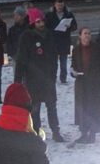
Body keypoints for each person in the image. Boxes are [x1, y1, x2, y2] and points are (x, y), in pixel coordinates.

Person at [15, 8, 64, 141]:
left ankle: (55, 131)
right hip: (33, 80)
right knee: (35, 108)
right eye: (38, 22)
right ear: (32, 23)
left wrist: (53, 75)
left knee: (52, 106)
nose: (41, 24)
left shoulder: (49, 35)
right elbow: (21, 60)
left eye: (42, 21)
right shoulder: (26, 37)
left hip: (48, 79)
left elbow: (54, 56)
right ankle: (35, 132)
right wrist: (18, 80)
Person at [70, 27, 100, 144]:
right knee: (82, 108)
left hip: (94, 84)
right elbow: (73, 66)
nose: (87, 35)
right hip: (81, 84)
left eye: (89, 33)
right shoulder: (76, 50)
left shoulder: (97, 48)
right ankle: (83, 133)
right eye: (85, 33)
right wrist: (73, 72)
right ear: (80, 36)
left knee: (93, 108)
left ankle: (92, 133)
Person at [45, 0, 77, 85]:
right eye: (58, 5)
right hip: (53, 40)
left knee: (64, 61)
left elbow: (75, 26)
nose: (60, 7)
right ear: (55, 5)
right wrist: (53, 30)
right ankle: (52, 77)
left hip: (64, 40)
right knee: (53, 62)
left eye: (61, 5)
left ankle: (63, 78)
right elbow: (46, 27)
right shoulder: (49, 15)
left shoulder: (68, 14)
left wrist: (69, 26)